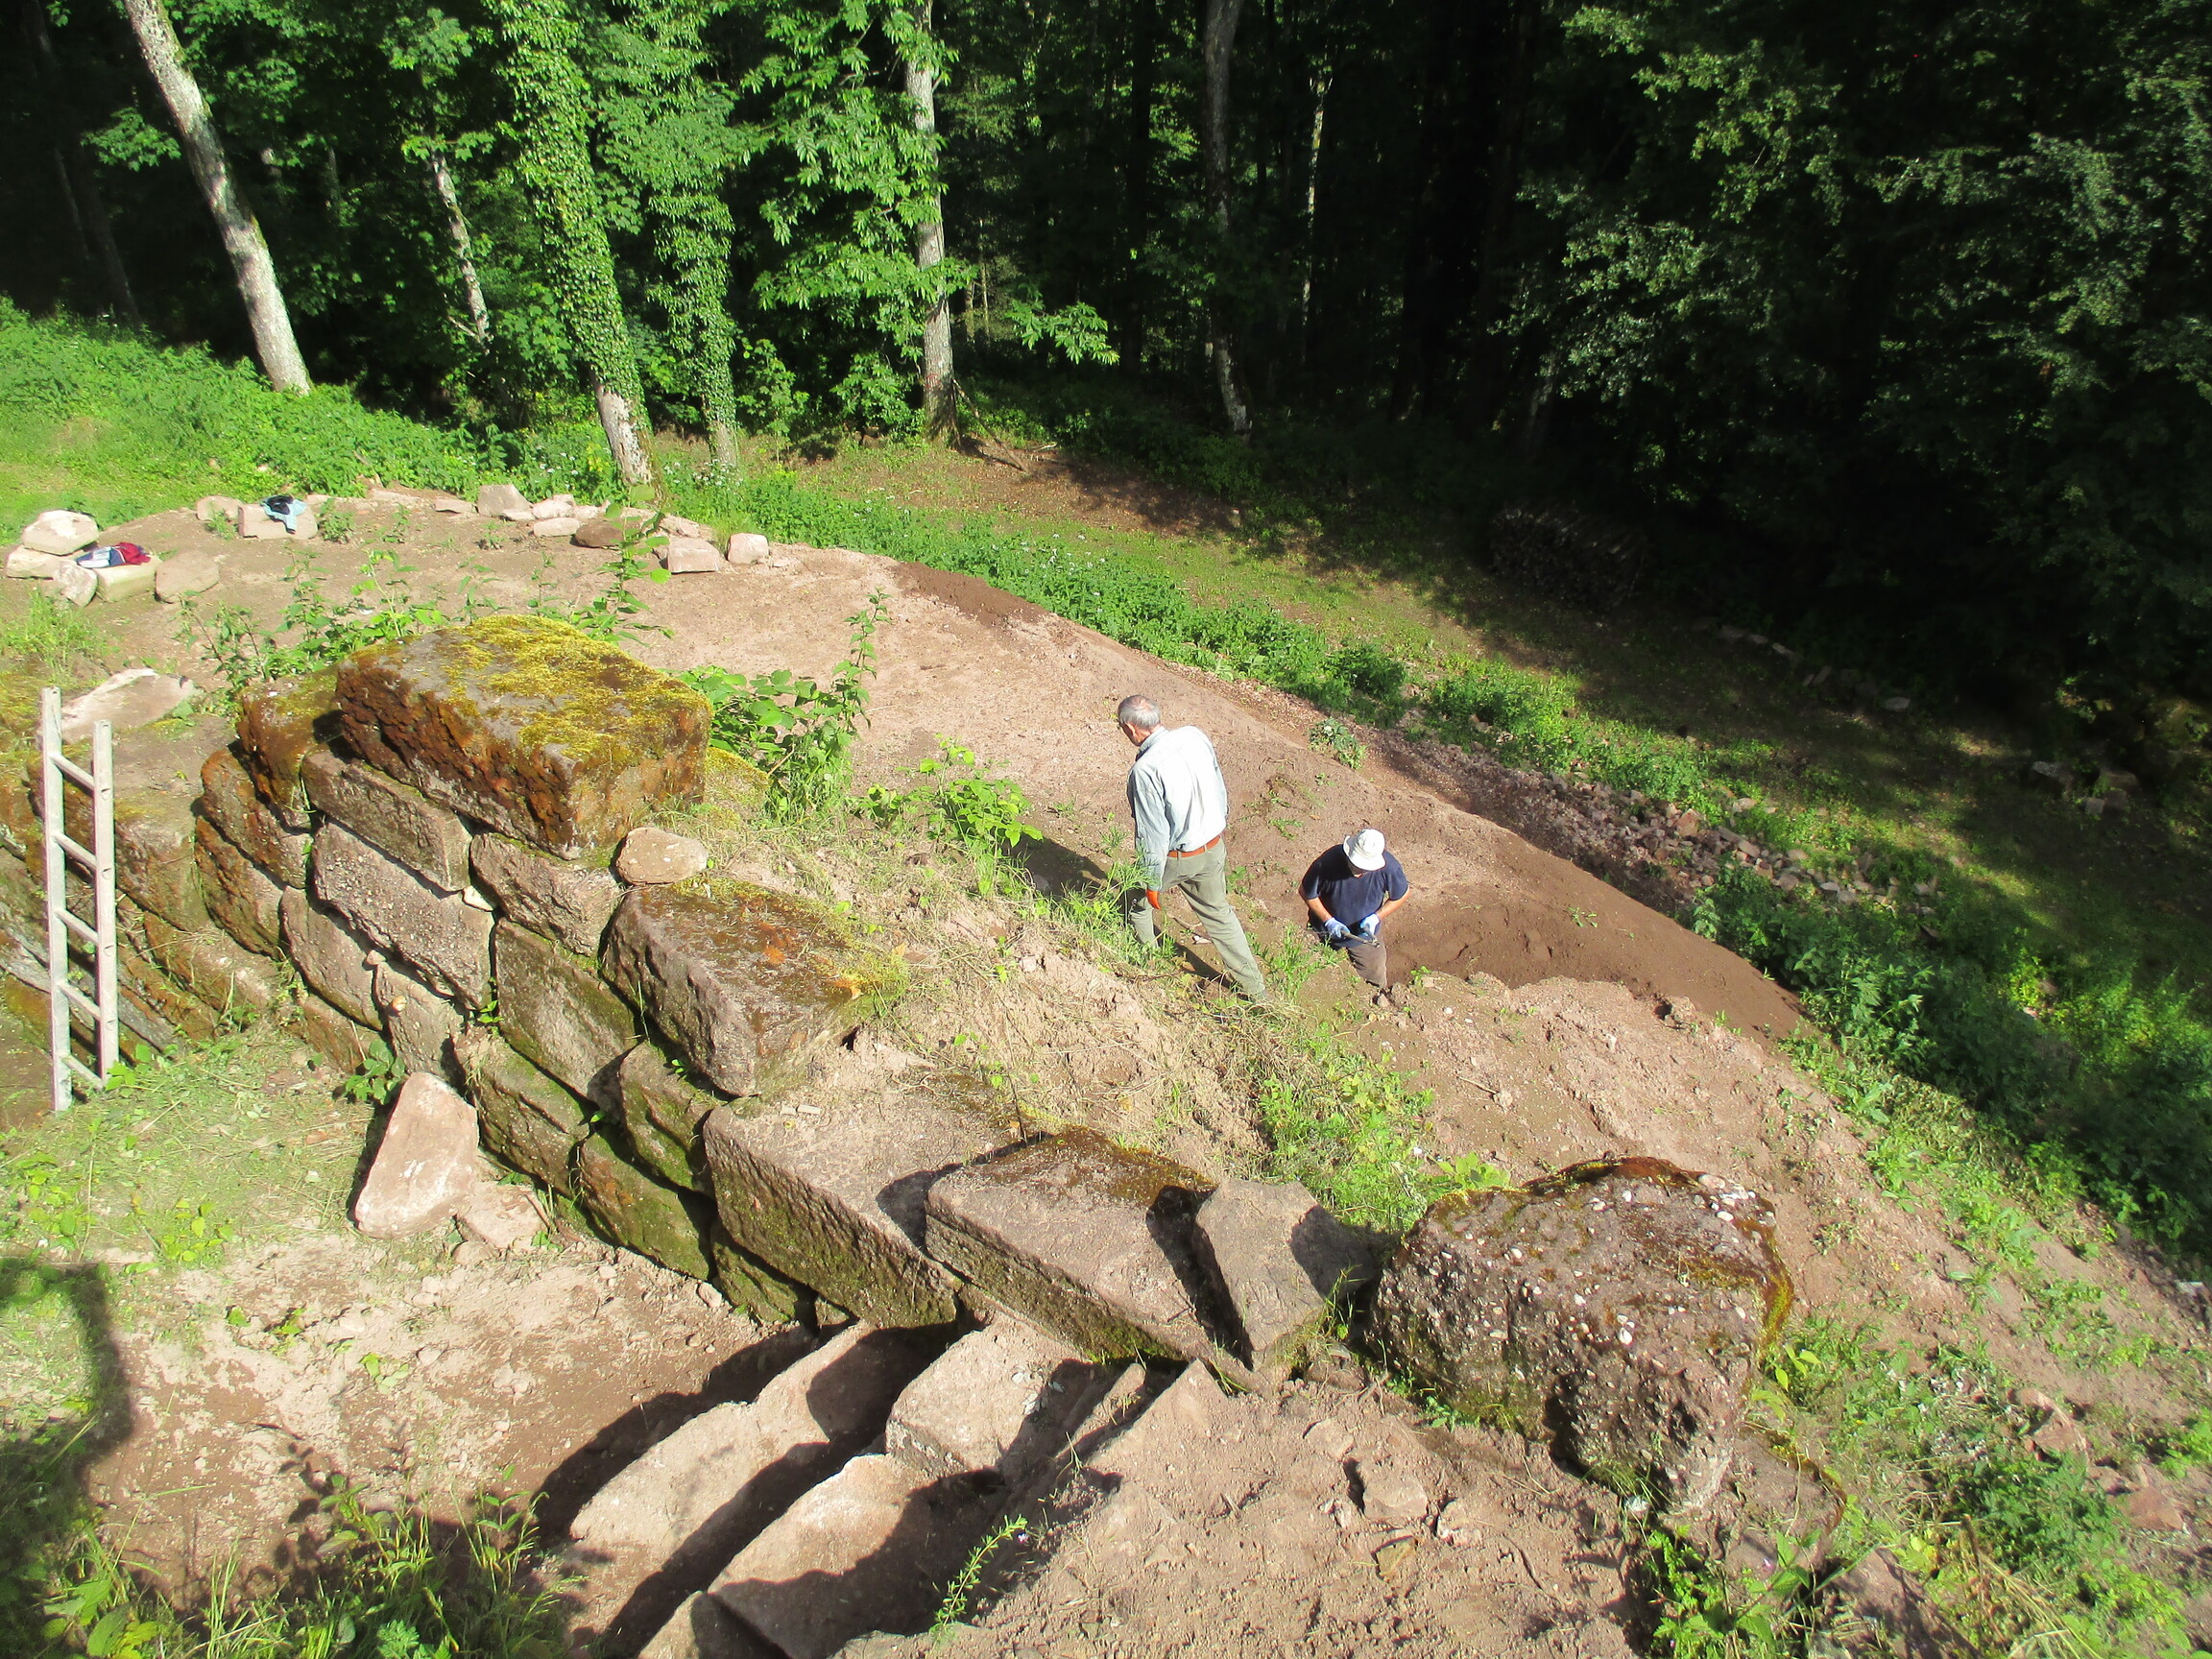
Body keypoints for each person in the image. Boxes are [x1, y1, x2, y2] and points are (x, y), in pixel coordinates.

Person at [1116, 693, 1268, 1003]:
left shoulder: (1145, 771)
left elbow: (1152, 833)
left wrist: (1151, 881)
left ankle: (1148, 965)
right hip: (1213, 846)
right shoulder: (1194, 736)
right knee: (1219, 915)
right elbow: (1218, 783)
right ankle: (1256, 991)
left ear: (1131, 728)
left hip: (1180, 856)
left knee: (1135, 901)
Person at [1301, 827, 1410, 994]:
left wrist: (1376, 917)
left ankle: (1375, 999)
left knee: (1375, 977)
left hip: (1364, 937)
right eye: (1355, 863)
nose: (1358, 870)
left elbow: (1402, 895)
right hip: (1322, 930)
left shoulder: (1389, 868)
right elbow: (1306, 892)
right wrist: (1328, 921)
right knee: (1307, 967)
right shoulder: (1329, 860)